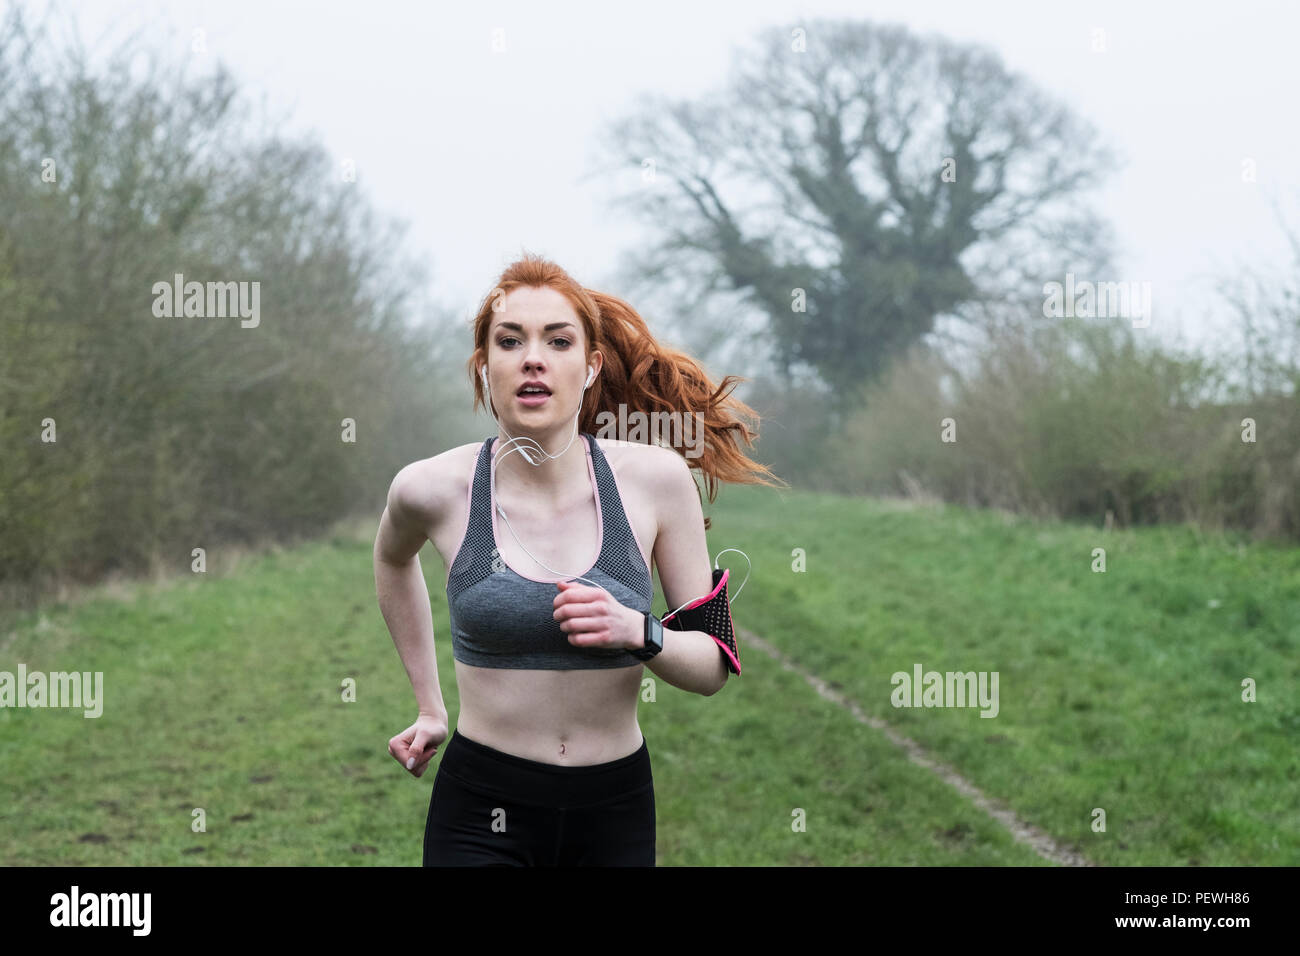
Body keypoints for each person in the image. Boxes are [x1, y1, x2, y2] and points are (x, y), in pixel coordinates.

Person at [372, 253, 785, 866]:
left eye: (557, 341)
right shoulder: (430, 488)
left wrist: (636, 631)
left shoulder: (656, 481)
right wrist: (431, 707)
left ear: (590, 366)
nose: (532, 357)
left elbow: (712, 669)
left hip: (613, 810)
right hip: (482, 807)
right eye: (509, 341)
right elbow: (391, 560)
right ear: (485, 367)